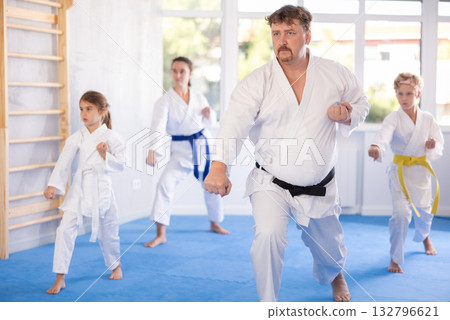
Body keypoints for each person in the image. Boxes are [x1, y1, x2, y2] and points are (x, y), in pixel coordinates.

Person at [204, 5, 370, 302]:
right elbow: (234, 121)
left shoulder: (335, 73)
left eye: (290, 32)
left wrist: (347, 114)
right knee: (267, 237)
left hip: (319, 184)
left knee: (329, 248)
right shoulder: (258, 81)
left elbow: (362, 104)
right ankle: (268, 305)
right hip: (272, 181)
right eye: (276, 33)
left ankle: (335, 274)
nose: (282, 40)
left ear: (307, 35)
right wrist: (219, 166)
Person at [44, 91, 125, 294]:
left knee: (109, 232)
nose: (83, 113)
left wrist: (105, 155)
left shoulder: (112, 137)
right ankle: (60, 277)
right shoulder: (77, 137)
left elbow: (123, 164)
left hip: (102, 188)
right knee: (64, 231)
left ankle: (116, 265)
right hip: (80, 189)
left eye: (89, 109)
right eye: (81, 109)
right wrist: (53, 185)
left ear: (102, 111)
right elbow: (64, 161)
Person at [144, 56, 229, 248]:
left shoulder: (198, 96)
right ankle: (161, 234)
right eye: (174, 71)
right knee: (164, 184)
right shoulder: (164, 101)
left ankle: (215, 222)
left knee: (212, 185)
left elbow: (208, 122)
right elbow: (157, 127)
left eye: (182, 71)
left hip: (202, 146)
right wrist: (153, 149)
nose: (178, 75)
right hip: (180, 151)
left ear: (190, 74)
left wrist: (209, 115)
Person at [368, 73, 443, 273]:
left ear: (418, 93)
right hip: (399, 173)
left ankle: (425, 236)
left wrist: (431, 145)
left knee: (424, 213)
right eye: (400, 93)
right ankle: (395, 258)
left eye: (409, 93)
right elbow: (383, 135)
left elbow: (438, 143)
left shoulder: (428, 119)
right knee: (401, 214)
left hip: (421, 172)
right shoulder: (393, 118)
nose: (404, 98)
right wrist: (376, 146)